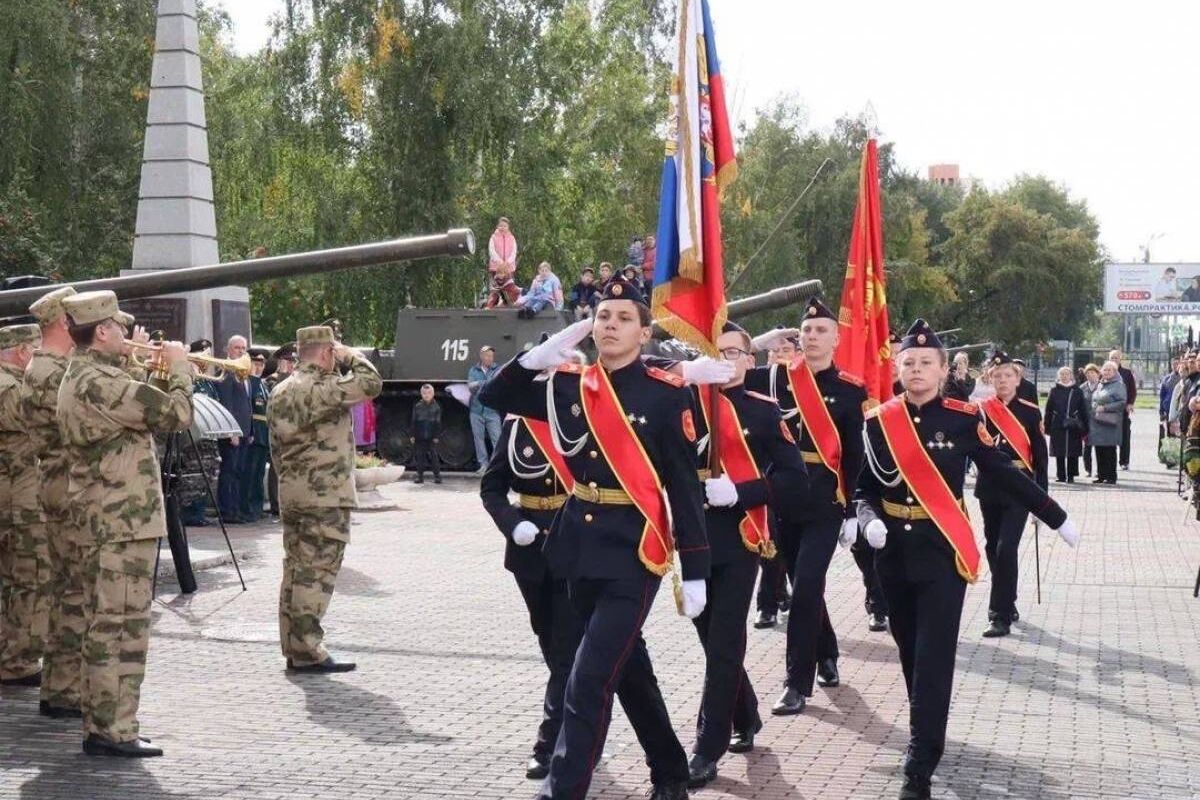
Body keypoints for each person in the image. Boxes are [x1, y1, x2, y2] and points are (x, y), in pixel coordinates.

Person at [480, 279, 711, 800]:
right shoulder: (568, 385)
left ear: (644, 331)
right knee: (627, 670)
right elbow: (495, 395)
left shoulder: (665, 393)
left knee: (586, 682)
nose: (609, 324)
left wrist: (695, 567)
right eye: (603, 315)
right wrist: (532, 358)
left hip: (635, 551)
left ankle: (563, 790)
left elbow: (682, 486)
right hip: (575, 549)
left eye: (623, 317)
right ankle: (671, 772)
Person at [856, 319, 1079, 799]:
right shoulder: (879, 422)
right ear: (898, 369)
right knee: (910, 650)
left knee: (934, 657)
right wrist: (865, 517)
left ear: (941, 371)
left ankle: (920, 762)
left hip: (941, 551)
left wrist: (1054, 514)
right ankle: (927, 725)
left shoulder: (961, 418)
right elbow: (864, 487)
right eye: (909, 363)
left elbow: (1002, 471)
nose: (916, 370)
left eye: (926, 363)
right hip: (891, 553)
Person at [57, 290, 194, 757]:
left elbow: (130, 407)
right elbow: (176, 413)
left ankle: (106, 724)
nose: (125, 333)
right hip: (120, 523)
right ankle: (112, 729)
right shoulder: (99, 382)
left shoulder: (87, 377)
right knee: (121, 627)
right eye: (117, 327)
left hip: (109, 520)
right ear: (100, 331)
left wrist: (131, 362)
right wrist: (177, 365)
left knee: (108, 624)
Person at [684, 323, 808, 788]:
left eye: (735, 352)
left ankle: (705, 748)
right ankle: (747, 714)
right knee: (708, 638)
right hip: (691, 538)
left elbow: (794, 479)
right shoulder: (686, 401)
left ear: (749, 361)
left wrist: (741, 491)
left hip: (741, 538)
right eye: (718, 351)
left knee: (723, 643)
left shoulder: (762, 411)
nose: (727, 359)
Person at [745, 297, 865, 716]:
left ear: (836, 338)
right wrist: (758, 342)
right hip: (780, 499)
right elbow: (728, 370)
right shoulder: (777, 378)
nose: (812, 337)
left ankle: (797, 683)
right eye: (806, 330)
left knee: (807, 585)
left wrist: (852, 508)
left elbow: (853, 456)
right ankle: (827, 649)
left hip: (823, 502)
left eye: (820, 331)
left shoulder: (850, 390)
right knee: (802, 582)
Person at [478, 349, 588, 781]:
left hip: (574, 541)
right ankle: (576, 715)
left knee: (564, 650)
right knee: (549, 639)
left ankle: (550, 744)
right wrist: (512, 523)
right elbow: (491, 487)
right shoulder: (518, 426)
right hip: (528, 547)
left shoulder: (585, 423)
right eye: (548, 371)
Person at [268, 325, 383, 674]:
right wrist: (349, 354)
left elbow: (276, 450)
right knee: (316, 572)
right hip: (324, 496)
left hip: (292, 492)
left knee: (295, 569)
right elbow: (371, 382)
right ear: (326, 352)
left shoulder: (281, 389)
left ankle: (293, 645)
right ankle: (307, 649)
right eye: (334, 353)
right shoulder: (323, 388)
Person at [24, 288, 86, 716]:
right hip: (67, 484)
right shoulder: (52, 371)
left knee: (68, 587)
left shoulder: (49, 366)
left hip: (60, 481)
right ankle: (65, 687)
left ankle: (63, 684)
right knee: (75, 589)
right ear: (65, 321)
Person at [976, 352, 1050, 637]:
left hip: (1019, 487)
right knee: (992, 547)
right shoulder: (982, 410)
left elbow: (1041, 460)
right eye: (997, 376)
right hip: (990, 486)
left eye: (1008, 375)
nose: (1003, 381)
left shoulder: (1030, 411)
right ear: (990, 380)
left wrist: (1041, 501)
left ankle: (999, 615)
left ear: (1017, 378)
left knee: (1006, 548)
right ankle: (1008, 599)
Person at [0, 323, 49, 689]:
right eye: (37, 350)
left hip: (18, 496)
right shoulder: (8, 386)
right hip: (16, 501)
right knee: (28, 577)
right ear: (21, 352)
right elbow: (40, 417)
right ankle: (16, 660)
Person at [753, 332, 798, 630]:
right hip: (764, 475)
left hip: (798, 477)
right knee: (768, 544)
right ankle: (768, 603)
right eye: (776, 349)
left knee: (791, 547)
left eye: (787, 349)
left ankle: (785, 595)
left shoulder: (808, 383)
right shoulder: (759, 381)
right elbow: (727, 364)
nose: (781, 354)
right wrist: (755, 343)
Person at [214, 335, 252, 523]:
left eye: (244, 348)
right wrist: (231, 431)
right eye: (237, 348)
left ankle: (236, 509)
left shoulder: (244, 373)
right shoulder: (227, 372)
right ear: (228, 350)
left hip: (244, 431)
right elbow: (227, 404)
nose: (241, 351)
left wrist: (249, 430)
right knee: (229, 471)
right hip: (232, 433)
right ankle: (227, 511)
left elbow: (247, 404)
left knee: (239, 472)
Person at [265, 343, 296, 517]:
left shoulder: (296, 381)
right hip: (278, 430)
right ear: (279, 361)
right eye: (287, 361)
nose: (291, 365)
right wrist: (283, 374)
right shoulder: (272, 380)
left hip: (294, 430)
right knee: (277, 469)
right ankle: (276, 505)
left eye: (293, 361)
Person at [1045, 366, 1088, 483]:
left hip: (1073, 424)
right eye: (1062, 374)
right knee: (1059, 451)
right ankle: (1061, 475)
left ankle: (1071, 475)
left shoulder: (1077, 391)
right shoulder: (1054, 390)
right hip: (1058, 424)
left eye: (1066, 374)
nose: (1064, 376)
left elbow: (1083, 409)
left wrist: (1085, 426)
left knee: (1072, 450)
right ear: (1058, 376)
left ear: (1071, 376)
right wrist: (1047, 425)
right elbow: (1048, 409)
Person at [243, 353, 270, 522]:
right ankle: (249, 508)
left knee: (259, 474)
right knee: (250, 473)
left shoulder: (263, 385)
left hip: (263, 433)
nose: (258, 368)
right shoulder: (250, 383)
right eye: (255, 364)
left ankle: (257, 507)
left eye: (261, 365)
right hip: (253, 432)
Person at [1089, 360, 1126, 484]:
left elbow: (1121, 402)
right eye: (1105, 369)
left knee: (1109, 450)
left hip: (1110, 422)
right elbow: (1095, 398)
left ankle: (1111, 476)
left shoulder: (1118, 385)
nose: (1106, 372)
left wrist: (1106, 408)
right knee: (1099, 449)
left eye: (1110, 370)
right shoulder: (1100, 384)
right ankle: (1101, 475)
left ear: (1115, 372)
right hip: (1098, 422)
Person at [468, 345, 502, 474]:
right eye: (487, 355)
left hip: (492, 410)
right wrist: (486, 383)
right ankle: (483, 464)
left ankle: (497, 466)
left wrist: (479, 383)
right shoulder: (473, 370)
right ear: (481, 356)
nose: (489, 358)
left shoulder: (497, 369)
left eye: (491, 356)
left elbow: (498, 385)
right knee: (479, 439)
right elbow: (470, 387)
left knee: (497, 439)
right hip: (476, 411)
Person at [1109, 349, 1136, 470]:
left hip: (1123, 410)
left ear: (1121, 359)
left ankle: (1124, 461)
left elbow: (1132, 390)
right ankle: (1110, 461)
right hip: (1108, 411)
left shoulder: (1126, 373)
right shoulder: (1105, 372)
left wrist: (1130, 403)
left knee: (1124, 436)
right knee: (1109, 437)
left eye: (1116, 357)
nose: (1114, 359)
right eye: (1112, 357)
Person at [410, 383, 442, 484]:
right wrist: (412, 434)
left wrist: (436, 435)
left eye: (429, 393)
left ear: (433, 394)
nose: (426, 395)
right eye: (424, 393)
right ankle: (420, 476)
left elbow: (438, 422)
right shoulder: (417, 406)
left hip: (432, 436)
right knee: (420, 457)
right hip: (420, 435)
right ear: (421, 394)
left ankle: (437, 476)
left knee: (434, 456)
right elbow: (413, 421)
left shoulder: (436, 407)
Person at [1079, 363, 1102, 476]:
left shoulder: (1103, 386)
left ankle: (1100, 471)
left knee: (1099, 448)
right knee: (1087, 448)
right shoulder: (1082, 388)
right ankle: (1088, 470)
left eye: (1092, 373)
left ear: (1098, 374)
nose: (1090, 375)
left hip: (1100, 422)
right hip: (1086, 422)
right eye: (1088, 373)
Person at [1160, 358, 1183, 445]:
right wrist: (1161, 411)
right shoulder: (1166, 379)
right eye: (1173, 364)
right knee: (1169, 433)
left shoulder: (1183, 379)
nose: (1175, 366)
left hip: (1178, 411)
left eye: (1177, 364)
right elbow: (1162, 396)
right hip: (1168, 410)